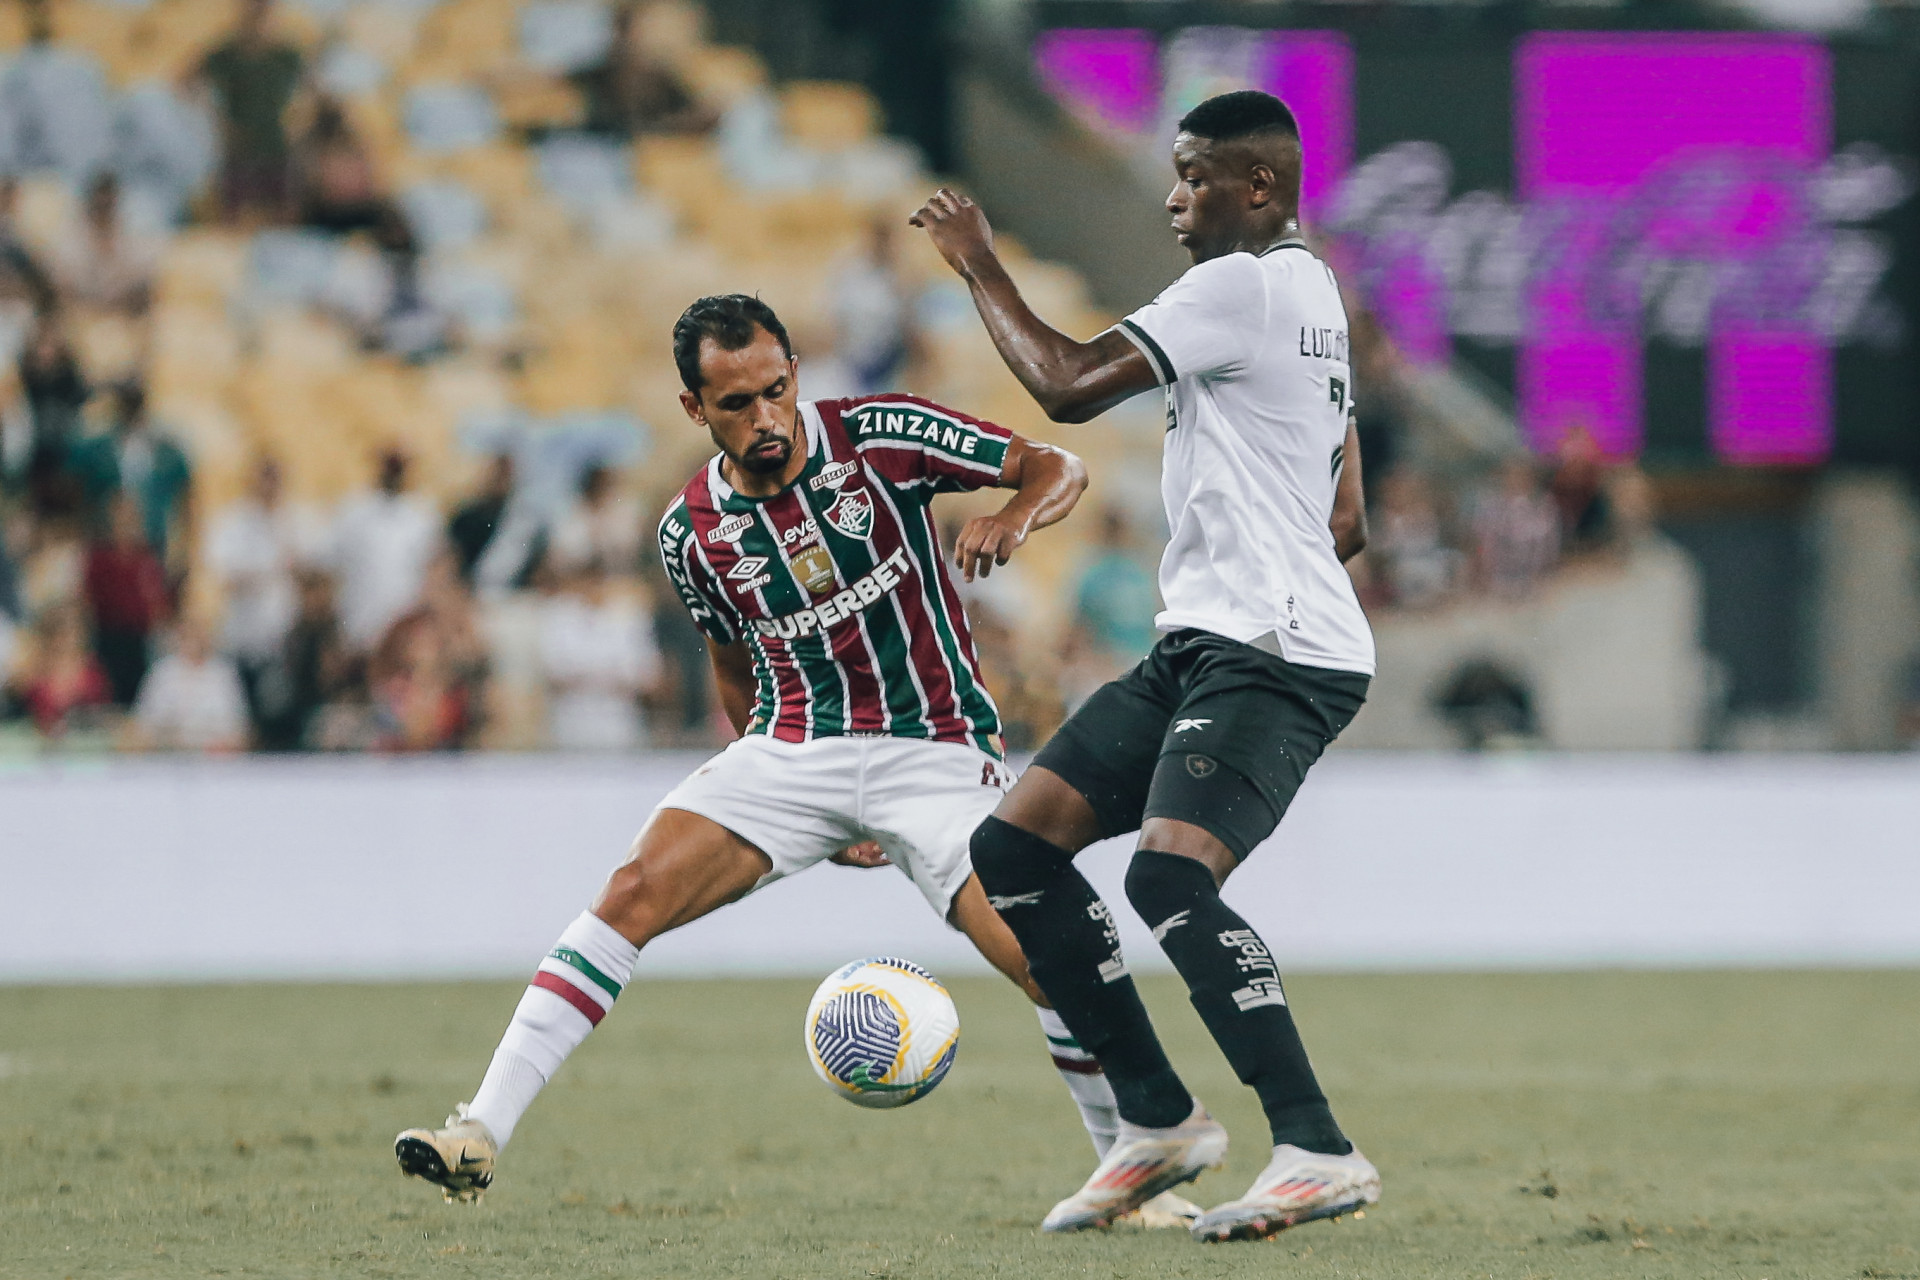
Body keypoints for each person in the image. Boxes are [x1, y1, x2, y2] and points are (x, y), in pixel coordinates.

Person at [393, 295, 1195, 1230]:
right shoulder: (690, 532)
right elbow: (732, 666)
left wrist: (1017, 514)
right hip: (792, 747)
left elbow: (1060, 465)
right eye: (736, 404)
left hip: (933, 751)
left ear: (794, 374)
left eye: (776, 390)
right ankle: (479, 1132)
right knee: (628, 895)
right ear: (695, 408)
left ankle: (1130, 1182)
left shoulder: (882, 435)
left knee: (1045, 959)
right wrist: (782, 792)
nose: (765, 417)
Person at [910, 89, 1378, 1241]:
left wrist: (977, 262)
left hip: (1267, 648)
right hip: (1213, 638)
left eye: (1194, 174)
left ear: (1258, 185)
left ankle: (1317, 1145)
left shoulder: (1238, 286)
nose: (1173, 197)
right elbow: (1349, 516)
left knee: (1169, 877)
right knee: (1014, 847)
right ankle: (1157, 1121)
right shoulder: (1315, 296)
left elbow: (1067, 384)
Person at [203, 456, 314, 729]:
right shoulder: (232, 522)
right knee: (245, 715)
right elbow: (225, 577)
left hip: (284, 640)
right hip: (243, 638)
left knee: (281, 716)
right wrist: (270, 570)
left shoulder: (297, 520)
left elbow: (310, 573)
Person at [193, 0, 306, 224]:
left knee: (284, 213)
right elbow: (192, 82)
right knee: (232, 214)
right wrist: (216, 121)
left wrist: (297, 123)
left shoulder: (286, 55)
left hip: (275, 142)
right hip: (239, 145)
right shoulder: (226, 54)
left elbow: (312, 90)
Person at [537, 558, 661, 751]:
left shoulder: (629, 618)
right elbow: (552, 671)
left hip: (619, 723)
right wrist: (608, 675)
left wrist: (587, 674)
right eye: (586, 581)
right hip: (571, 723)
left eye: (596, 581)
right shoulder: (559, 616)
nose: (591, 587)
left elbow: (648, 675)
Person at [329, 450, 442, 653]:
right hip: (357, 623)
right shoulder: (353, 512)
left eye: (399, 468)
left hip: (403, 628)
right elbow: (332, 563)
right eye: (391, 467)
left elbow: (433, 572)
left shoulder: (421, 517)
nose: (394, 473)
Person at [83, 494, 170, 707]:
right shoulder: (100, 557)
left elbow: (157, 598)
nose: (126, 523)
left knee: (138, 695)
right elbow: (87, 598)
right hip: (107, 636)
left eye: (131, 517)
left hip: (139, 639)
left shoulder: (146, 557)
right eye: (121, 517)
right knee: (110, 694)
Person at [127, 616, 249, 752]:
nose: (194, 641)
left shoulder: (223, 673)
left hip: (213, 756)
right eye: (189, 634)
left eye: (200, 633)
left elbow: (239, 730)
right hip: (166, 755)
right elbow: (142, 725)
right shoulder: (163, 672)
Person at [50, 174, 158, 317]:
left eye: (108, 204)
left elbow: (142, 279)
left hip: (121, 314)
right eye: (99, 204)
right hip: (80, 314)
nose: (104, 208)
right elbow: (63, 285)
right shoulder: (69, 237)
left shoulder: (131, 235)